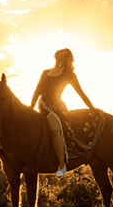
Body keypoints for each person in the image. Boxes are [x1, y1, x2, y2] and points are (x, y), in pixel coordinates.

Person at [30, 48, 95, 177]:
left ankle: (61, 165)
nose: (60, 58)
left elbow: (81, 93)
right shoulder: (45, 73)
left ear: (67, 59)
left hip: (58, 107)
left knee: (56, 128)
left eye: (63, 57)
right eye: (58, 56)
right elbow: (37, 91)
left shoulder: (69, 74)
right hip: (44, 106)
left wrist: (92, 108)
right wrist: (30, 108)